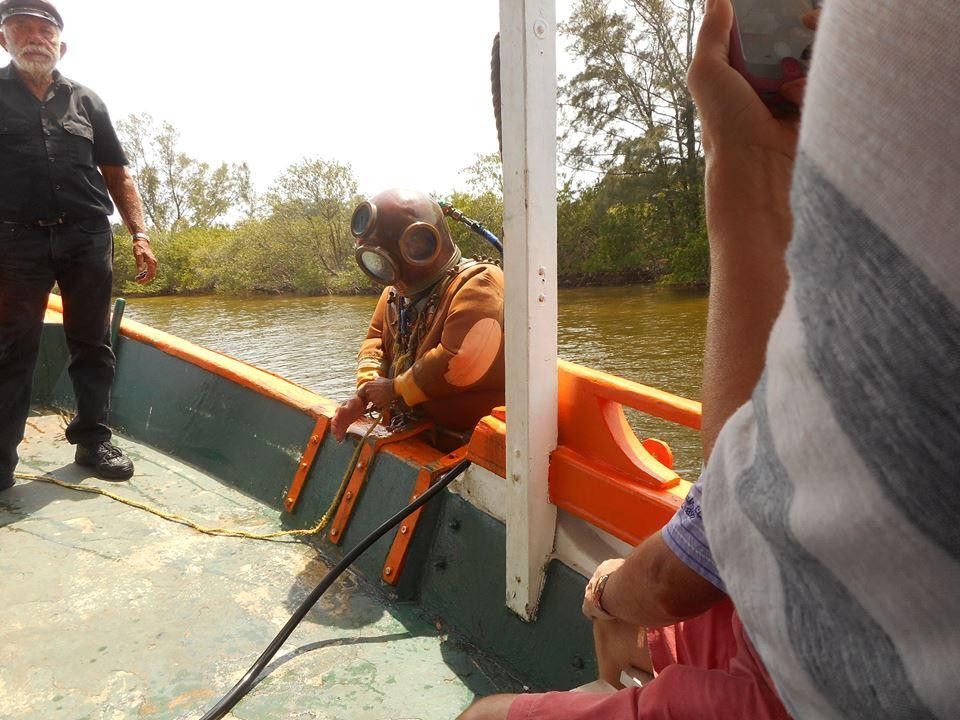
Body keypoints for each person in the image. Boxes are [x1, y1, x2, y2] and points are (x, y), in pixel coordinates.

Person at [0, 0, 157, 491]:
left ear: (60, 45)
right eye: (21, 29)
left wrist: (139, 233)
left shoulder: (87, 101)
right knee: (12, 349)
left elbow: (117, 174)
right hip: (14, 242)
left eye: (44, 32)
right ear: (3, 40)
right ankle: (1, 459)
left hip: (87, 237)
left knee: (92, 344)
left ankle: (93, 440)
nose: (34, 38)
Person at [331, 189, 505, 442]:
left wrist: (395, 388)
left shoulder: (480, 282)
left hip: (472, 442)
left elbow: (461, 360)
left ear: (427, 242)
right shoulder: (396, 293)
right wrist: (364, 393)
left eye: (416, 245)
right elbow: (375, 341)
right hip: (419, 429)